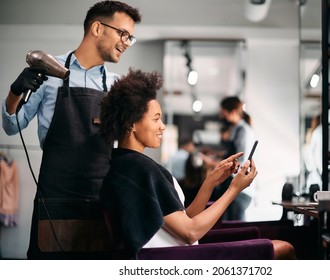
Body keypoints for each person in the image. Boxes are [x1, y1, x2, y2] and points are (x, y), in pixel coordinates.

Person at [99, 68, 296, 260]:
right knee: (285, 249)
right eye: (156, 119)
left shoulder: (124, 165)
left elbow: (185, 219)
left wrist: (210, 182)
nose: (163, 126)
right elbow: (190, 232)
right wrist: (234, 190)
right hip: (179, 260)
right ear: (132, 124)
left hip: (174, 254)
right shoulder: (142, 169)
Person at [1, 1, 142, 259]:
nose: (126, 42)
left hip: (101, 202)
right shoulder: (49, 74)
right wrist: (15, 92)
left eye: (130, 37)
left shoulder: (116, 86)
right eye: (123, 34)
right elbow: (12, 126)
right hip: (55, 200)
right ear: (97, 28)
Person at [219, 96, 257, 220]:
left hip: (239, 188)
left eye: (224, 113)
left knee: (234, 227)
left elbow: (241, 159)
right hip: (237, 186)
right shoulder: (237, 129)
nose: (222, 117)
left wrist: (217, 164)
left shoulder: (242, 131)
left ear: (233, 111)